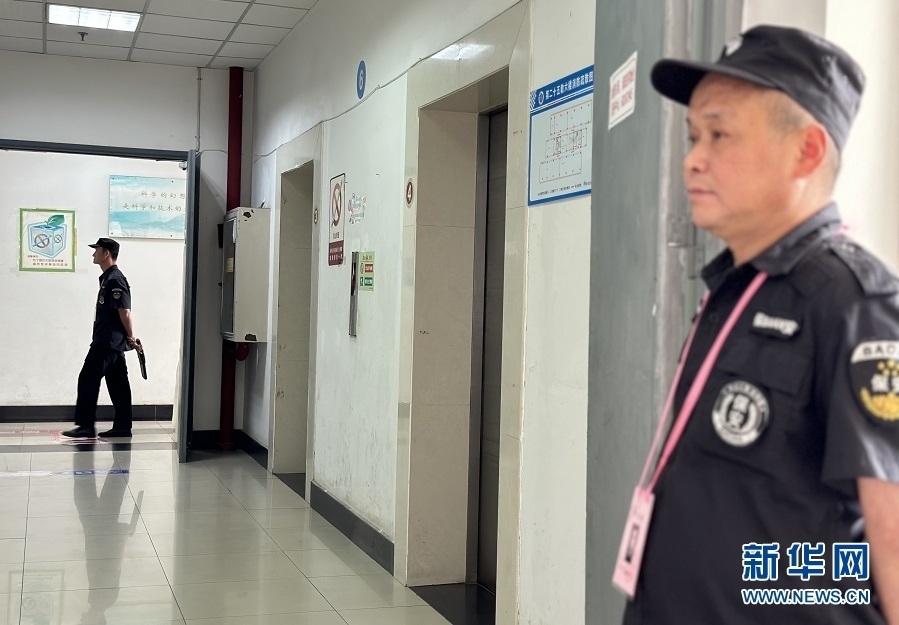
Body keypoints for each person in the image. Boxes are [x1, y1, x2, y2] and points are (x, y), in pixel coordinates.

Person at [620, 25, 899, 624]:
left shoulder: (857, 305)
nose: (693, 159)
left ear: (807, 151)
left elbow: (893, 537)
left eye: (719, 134)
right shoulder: (737, 286)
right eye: (694, 136)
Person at [63, 238, 136, 439]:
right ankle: (123, 426)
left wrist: (132, 337)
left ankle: (86, 426)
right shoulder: (108, 278)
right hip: (110, 341)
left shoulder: (115, 279)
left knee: (87, 378)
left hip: (108, 341)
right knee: (118, 384)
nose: (93, 254)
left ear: (106, 253)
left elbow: (125, 312)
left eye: (96, 250)